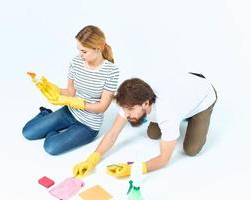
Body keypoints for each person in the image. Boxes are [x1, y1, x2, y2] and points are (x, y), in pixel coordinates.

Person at [73, 72, 217, 178]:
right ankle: (181, 112)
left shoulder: (167, 113)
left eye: (130, 110)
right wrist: (91, 159)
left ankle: (190, 115)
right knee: (152, 134)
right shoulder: (129, 101)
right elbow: (113, 133)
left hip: (203, 96)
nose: (126, 114)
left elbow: (163, 159)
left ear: (146, 103)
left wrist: (134, 169)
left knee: (191, 150)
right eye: (124, 109)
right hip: (182, 85)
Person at [22, 25, 119, 155]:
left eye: (84, 51)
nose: (80, 55)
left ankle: (53, 127)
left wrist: (77, 103)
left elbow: (102, 107)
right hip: (69, 112)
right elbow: (70, 92)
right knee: (28, 132)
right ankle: (46, 114)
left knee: (51, 147)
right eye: (79, 50)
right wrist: (51, 88)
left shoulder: (111, 71)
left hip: (87, 125)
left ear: (98, 48)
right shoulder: (76, 62)